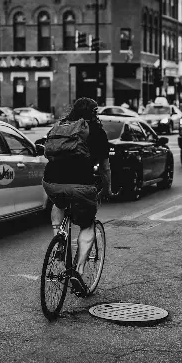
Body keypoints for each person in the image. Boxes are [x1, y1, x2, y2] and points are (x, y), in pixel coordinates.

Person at [42, 98, 113, 296]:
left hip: (50, 181)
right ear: (94, 112)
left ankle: (58, 238)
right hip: (81, 183)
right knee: (87, 224)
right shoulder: (97, 131)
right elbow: (105, 168)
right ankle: (78, 271)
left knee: (58, 202)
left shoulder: (61, 126)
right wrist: (107, 189)